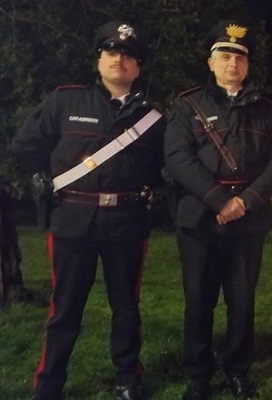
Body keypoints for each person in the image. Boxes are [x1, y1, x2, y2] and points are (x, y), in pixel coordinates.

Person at [11, 21, 165, 400]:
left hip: (127, 222)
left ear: (138, 67)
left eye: (129, 55)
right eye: (112, 51)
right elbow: (24, 144)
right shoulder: (66, 101)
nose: (120, 59)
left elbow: (165, 167)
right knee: (64, 309)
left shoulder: (153, 119)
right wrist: (42, 176)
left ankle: (128, 378)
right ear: (99, 58)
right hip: (73, 220)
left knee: (126, 308)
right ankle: (49, 385)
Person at [163, 21, 272, 400]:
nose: (232, 62)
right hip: (199, 218)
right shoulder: (188, 105)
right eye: (225, 55)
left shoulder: (266, 110)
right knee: (198, 299)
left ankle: (238, 370)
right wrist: (220, 200)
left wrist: (246, 202)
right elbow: (178, 158)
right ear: (211, 62)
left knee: (241, 299)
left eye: (239, 56)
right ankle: (198, 374)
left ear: (247, 65)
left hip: (248, 220)